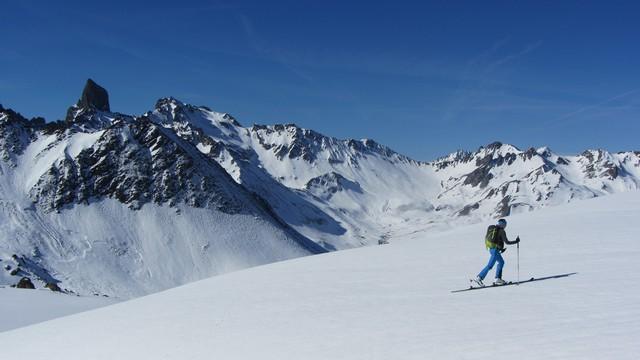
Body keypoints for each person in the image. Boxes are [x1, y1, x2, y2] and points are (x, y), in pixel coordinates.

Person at [474, 218, 520, 286]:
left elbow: (496, 240)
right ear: (503, 225)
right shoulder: (501, 231)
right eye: (505, 225)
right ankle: (479, 278)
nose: (505, 226)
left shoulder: (491, 228)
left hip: (491, 249)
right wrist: (516, 241)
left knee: (501, 262)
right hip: (495, 250)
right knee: (490, 266)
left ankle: (497, 279)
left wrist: (500, 249)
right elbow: (507, 242)